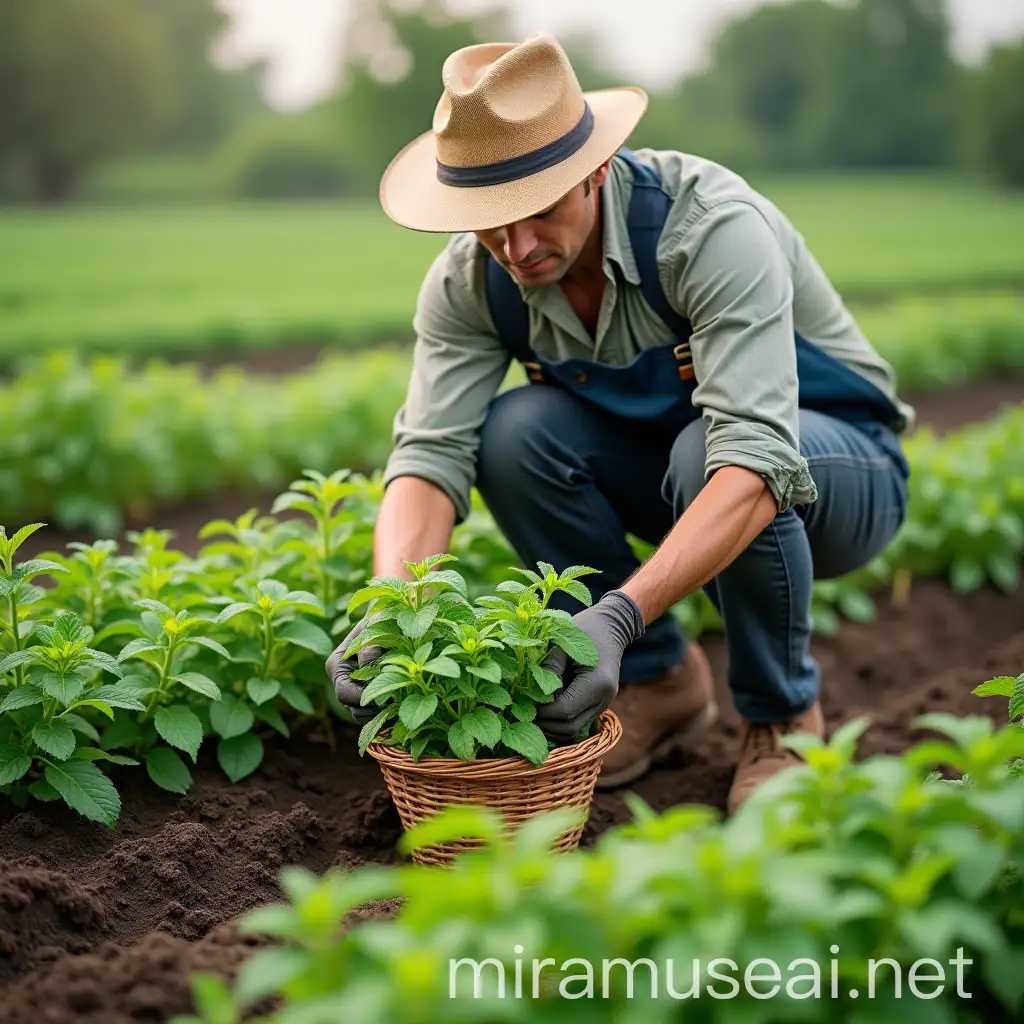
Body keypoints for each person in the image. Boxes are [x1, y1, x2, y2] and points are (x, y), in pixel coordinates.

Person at [326, 33, 913, 814]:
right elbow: (429, 456)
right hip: (677, 471)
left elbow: (754, 459)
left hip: (837, 476)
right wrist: (391, 609)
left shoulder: (707, 230)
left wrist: (618, 615)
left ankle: (782, 719)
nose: (517, 247)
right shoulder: (474, 280)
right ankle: (661, 684)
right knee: (514, 434)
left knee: (710, 452)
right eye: (489, 223)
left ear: (594, 170)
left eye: (535, 213)